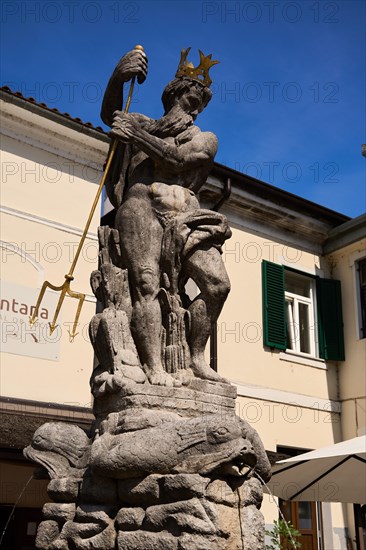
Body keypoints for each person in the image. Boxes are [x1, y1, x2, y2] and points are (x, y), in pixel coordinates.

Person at [100, 47, 231, 387]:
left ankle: (198, 357)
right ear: (173, 93)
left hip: (187, 216)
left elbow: (176, 160)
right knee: (145, 284)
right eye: (192, 96)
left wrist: (136, 135)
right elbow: (111, 113)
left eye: (201, 102)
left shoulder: (205, 138)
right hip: (141, 208)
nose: (196, 106)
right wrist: (119, 75)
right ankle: (154, 366)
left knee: (217, 285)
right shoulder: (142, 121)